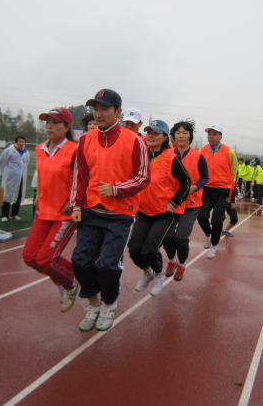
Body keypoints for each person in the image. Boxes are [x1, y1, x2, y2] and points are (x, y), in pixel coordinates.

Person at [70, 88, 150, 332]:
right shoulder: (85, 140)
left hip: (120, 215)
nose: (98, 113)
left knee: (107, 265)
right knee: (80, 261)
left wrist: (116, 189)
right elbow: (80, 175)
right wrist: (77, 204)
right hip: (91, 211)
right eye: (95, 108)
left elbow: (143, 177)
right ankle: (93, 304)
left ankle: (109, 303)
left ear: (118, 112)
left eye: (104, 108)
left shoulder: (134, 140)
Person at [24, 108, 80, 312]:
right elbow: (42, 175)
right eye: (47, 121)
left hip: (64, 214)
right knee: (30, 257)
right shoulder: (40, 149)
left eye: (56, 122)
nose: (49, 125)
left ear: (66, 127)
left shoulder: (74, 150)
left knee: (46, 260)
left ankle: (70, 285)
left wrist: (74, 201)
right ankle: (76, 275)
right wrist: (38, 193)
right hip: (44, 212)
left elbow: (83, 180)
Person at [129, 120, 189, 296]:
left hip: (164, 213)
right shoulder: (141, 156)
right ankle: (148, 272)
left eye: (155, 133)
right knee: (134, 250)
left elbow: (186, 183)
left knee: (149, 250)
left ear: (164, 137)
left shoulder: (172, 158)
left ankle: (159, 274)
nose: (150, 136)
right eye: (148, 132)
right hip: (143, 211)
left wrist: (174, 202)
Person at [164, 121, 208, 281]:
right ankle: (171, 261)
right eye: (178, 133)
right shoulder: (167, 154)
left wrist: (195, 187)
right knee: (167, 237)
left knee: (181, 238)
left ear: (190, 135)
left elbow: (205, 177)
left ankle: (182, 264)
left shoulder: (198, 156)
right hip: (171, 202)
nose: (181, 136)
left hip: (191, 203)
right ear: (173, 136)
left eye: (185, 133)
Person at [198, 124, 238, 259]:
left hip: (222, 190)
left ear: (221, 136)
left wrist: (232, 198)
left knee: (216, 220)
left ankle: (214, 245)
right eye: (209, 134)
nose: (211, 136)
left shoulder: (229, 152)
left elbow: (233, 175)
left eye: (215, 134)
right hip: (206, 189)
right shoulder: (201, 151)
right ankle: (208, 235)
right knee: (202, 216)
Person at [0, 135, 29, 222]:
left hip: (21, 177)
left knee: (18, 196)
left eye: (23, 142)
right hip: (10, 178)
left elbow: (25, 163)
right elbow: (2, 161)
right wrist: (1, 172)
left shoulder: (26, 152)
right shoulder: (9, 150)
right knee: (7, 195)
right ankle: (4, 215)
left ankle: (14, 214)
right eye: (20, 142)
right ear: (16, 142)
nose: (22, 144)